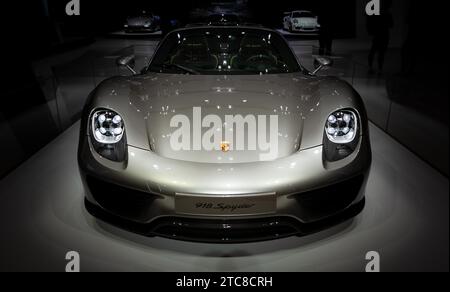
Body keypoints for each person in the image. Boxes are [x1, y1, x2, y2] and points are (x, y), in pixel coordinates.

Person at [367, 0, 394, 74]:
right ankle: (376, 69)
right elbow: (391, 25)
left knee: (377, 53)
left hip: (381, 35)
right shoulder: (385, 14)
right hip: (381, 35)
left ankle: (375, 68)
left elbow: (391, 25)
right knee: (377, 53)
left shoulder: (385, 14)